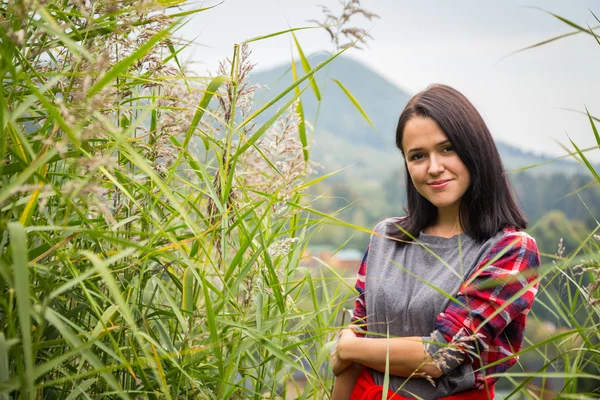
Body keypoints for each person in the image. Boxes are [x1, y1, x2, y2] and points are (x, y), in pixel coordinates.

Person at [330, 84, 541, 400]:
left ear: (474, 150)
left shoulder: (511, 250)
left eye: (447, 149)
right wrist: (351, 350)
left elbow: (440, 356)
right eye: (418, 156)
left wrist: (350, 348)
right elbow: (353, 349)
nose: (434, 167)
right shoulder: (385, 237)